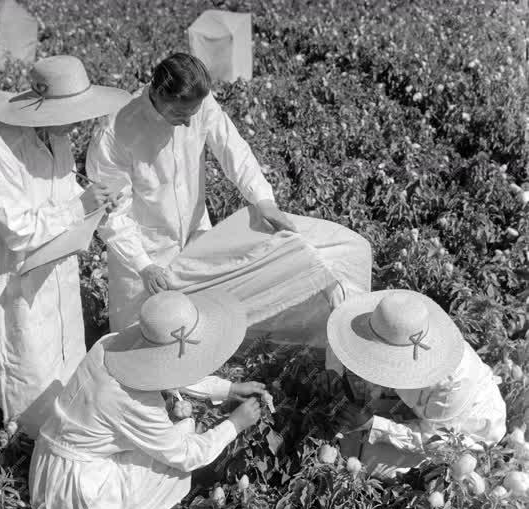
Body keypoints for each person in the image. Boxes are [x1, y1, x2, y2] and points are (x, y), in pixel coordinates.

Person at [0, 55, 130, 437]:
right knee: (27, 371)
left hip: (55, 267)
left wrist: (94, 195)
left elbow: (62, 189)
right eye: (73, 112)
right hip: (13, 278)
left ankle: (67, 438)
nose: (79, 121)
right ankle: (29, 455)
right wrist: (81, 205)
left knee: (67, 357)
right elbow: (18, 230)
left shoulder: (57, 135)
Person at [29, 290, 268, 509]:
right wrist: (234, 424)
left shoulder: (110, 346)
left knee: (170, 435)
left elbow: (166, 368)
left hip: (47, 464)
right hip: (77, 495)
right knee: (173, 458)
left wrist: (227, 388)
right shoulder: (135, 403)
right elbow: (186, 456)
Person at [86, 52, 298, 332]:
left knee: (194, 333)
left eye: (192, 114)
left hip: (194, 237)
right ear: (158, 92)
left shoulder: (201, 103)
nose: (187, 123)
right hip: (142, 250)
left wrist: (263, 200)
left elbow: (233, 149)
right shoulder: (117, 130)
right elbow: (110, 212)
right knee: (141, 338)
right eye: (178, 113)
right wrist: (143, 265)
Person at [326, 289, 506, 478]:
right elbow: (347, 341)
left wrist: (373, 424)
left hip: (462, 430)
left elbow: (436, 439)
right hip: (415, 407)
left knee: (371, 466)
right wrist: (338, 374)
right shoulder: (394, 322)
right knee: (350, 441)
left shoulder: (452, 382)